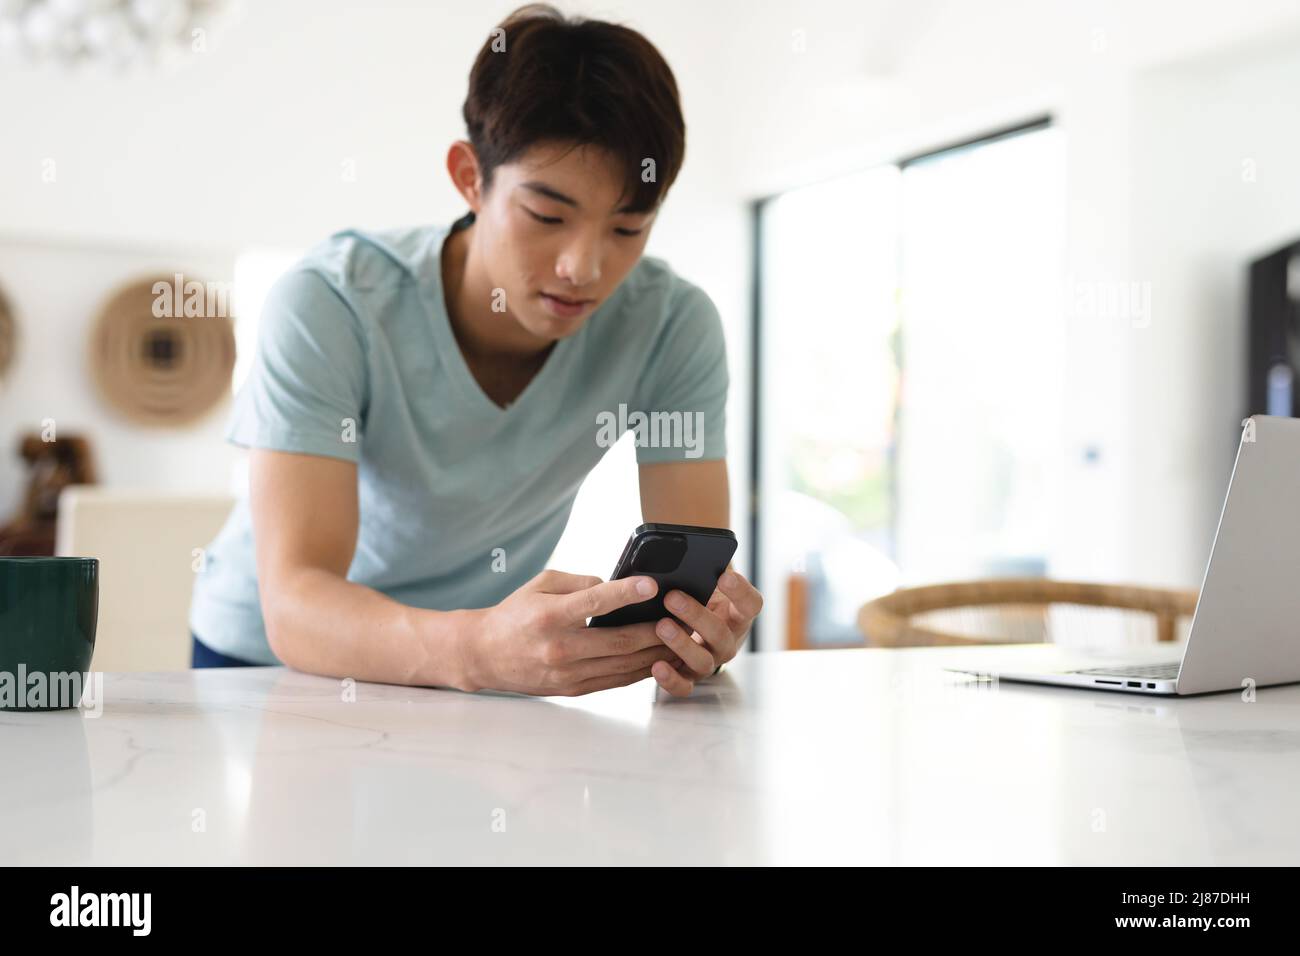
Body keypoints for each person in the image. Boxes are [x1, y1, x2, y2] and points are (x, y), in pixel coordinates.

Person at [188, 3, 763, 697]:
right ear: (469, 177)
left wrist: (698, 632)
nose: (583, 267)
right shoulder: (330, 303)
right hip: (269, 663)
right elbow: (297, 603)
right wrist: (476, 652)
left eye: (628, 228)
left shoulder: (673, 326)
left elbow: (693, 578)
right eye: (547, 216)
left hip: (470, 663)